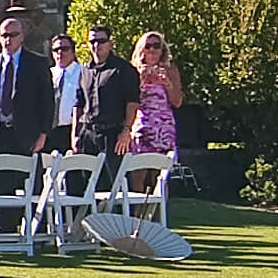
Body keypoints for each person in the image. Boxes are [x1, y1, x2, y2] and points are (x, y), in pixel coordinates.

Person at [0, 13, 54, 158]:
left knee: (26, 179)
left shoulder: (37, 63)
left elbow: (47, 102)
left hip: (26, 136)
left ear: (22, 37)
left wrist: (43, 134)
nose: (8, 40)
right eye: (4, 35)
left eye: (13, 35)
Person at [73, 23, 142, 174]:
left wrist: (126, 131)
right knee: (88, 183)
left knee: (114, 182)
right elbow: (78, 104)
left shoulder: (123, 69)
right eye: (92, 41)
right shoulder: (84, 70)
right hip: (88, 133)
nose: (97, 45)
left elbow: (133, 102)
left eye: (101, 41)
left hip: (113, 134)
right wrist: (75, 135)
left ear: (110, 43)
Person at [127, 29, 183, 158]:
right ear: (142, 50)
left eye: (156, 46)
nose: (152, 49)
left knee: (160, 171)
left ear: (162, 50)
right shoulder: (133, 71)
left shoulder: (170, 70)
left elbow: (177, 102)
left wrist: (167, 83)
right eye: (148, 46)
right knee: (138, 167)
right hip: (142, 125)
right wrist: (141, 80)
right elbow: (129, 101)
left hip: (164, 126)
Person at [47, 34, 83, 152]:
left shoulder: (82, 73)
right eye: (56, 50)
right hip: (49, 130)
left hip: (71, 130)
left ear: (73, 51)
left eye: (64, 49)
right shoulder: (47, 74)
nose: (60, 53)